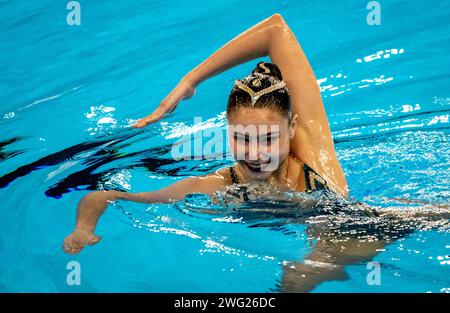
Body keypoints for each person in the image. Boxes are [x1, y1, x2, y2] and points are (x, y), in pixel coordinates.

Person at [63, 14, 350, 255]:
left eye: (268, 139)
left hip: (358, 228)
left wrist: (190, 80)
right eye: (243, 138)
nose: (254, 154)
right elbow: (107, 196)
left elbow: (275, 29)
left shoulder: (316, 160)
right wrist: (83, 228)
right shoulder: (215, 185)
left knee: (314, 264)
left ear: (292, 127)